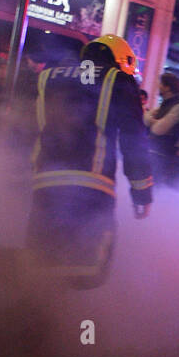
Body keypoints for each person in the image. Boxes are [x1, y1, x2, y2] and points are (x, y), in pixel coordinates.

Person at [26, 34, 152, 288]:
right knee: (86, 269)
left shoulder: (47, 77)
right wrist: (142, 192)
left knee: (42, 265)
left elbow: (27, 130)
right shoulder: (118, 80)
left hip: (45, 186)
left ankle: (31, 322)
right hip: (91, 188)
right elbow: (134, 141)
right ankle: (73, 323)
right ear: (119, 60)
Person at [143, 71, 179, 183]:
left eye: (161, 84)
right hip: (155, 154)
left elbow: (158, 129)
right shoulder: (166, 103)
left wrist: (152, 121)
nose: (158, 87)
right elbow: (144, 118)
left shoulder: (178, 106)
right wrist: (155, 121)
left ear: (167, 87)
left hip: (163, 158)